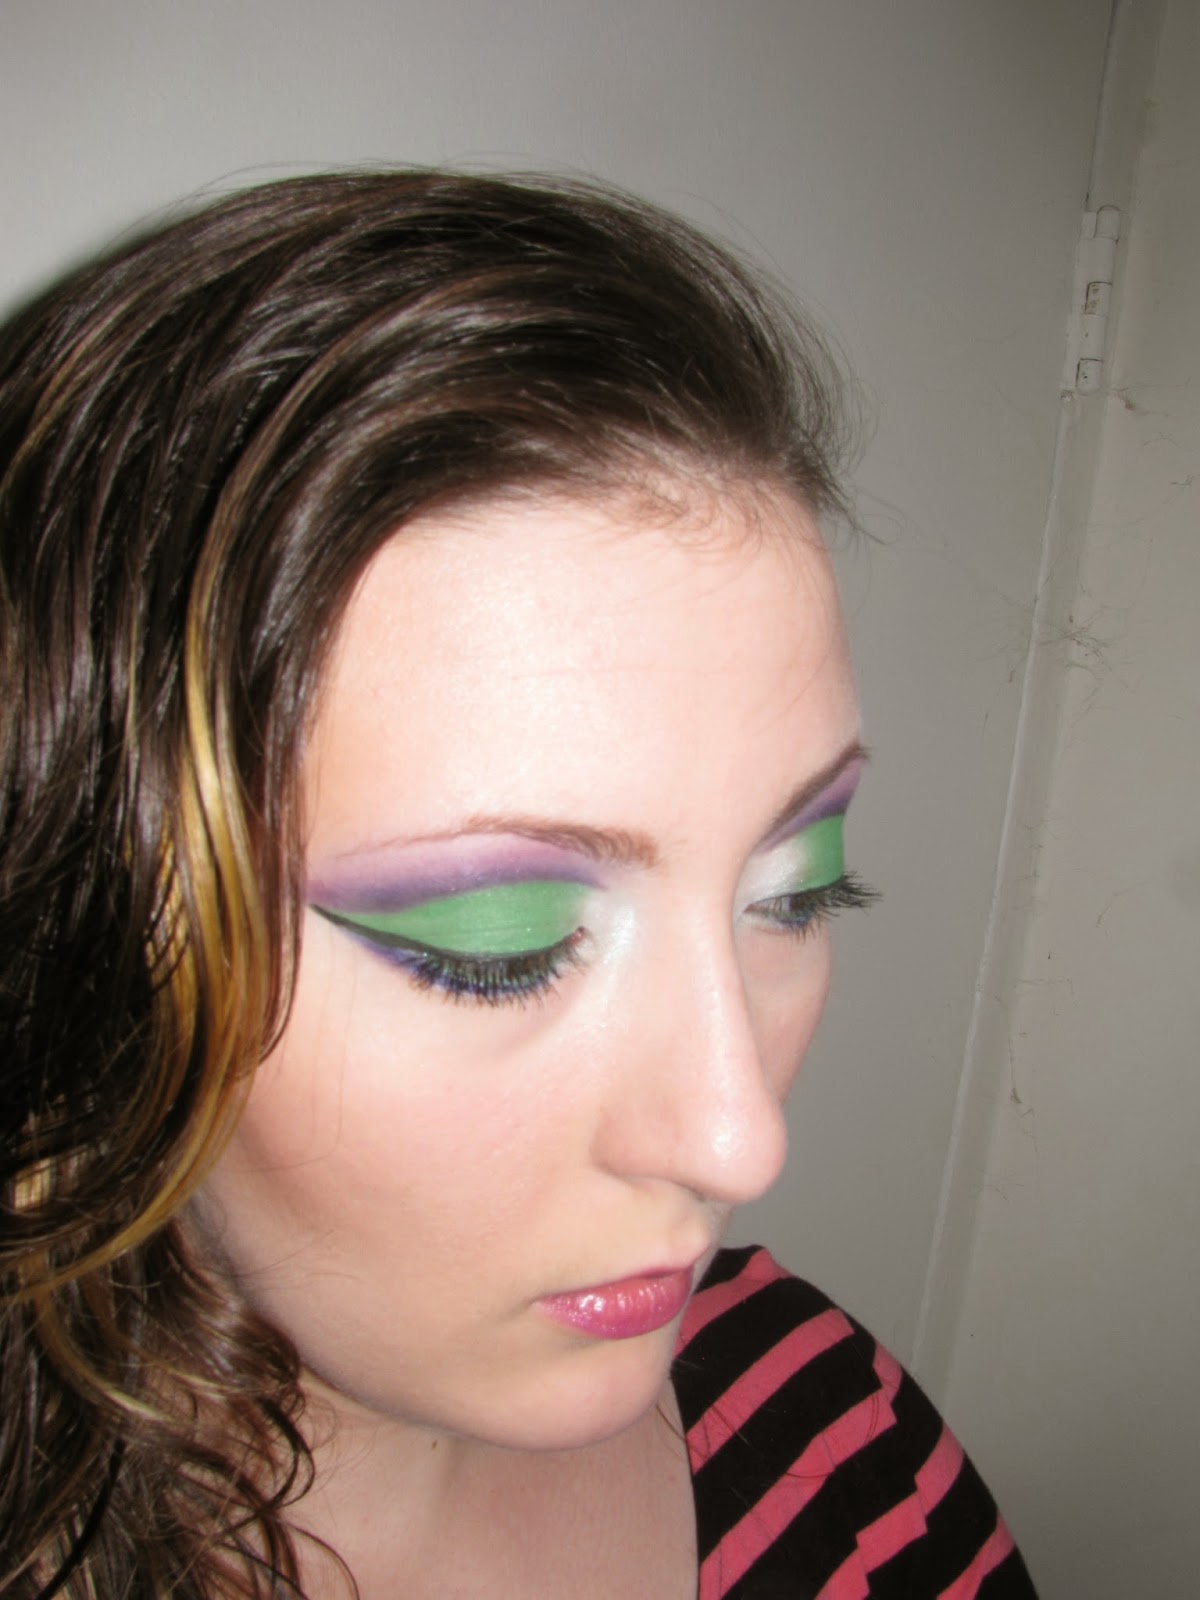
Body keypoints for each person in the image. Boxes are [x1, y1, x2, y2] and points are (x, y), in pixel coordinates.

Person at [0, 170, 1036, 1599]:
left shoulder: (835, 1433)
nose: (737, 1143)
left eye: (795, 892)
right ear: (95, 940)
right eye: (499, 946)